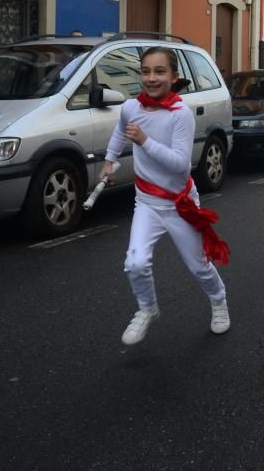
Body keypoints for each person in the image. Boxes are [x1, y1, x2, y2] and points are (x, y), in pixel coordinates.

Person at [103, 47, 231, 346]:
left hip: (179, 204)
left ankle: (219, 300)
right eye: (146, 71)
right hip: (146, 202)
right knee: (135, 262)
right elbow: (121, 131)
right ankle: (147, 308)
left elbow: (180, 165)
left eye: (159, 71)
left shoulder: (180, 115)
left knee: (198, 265)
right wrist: (109, 161)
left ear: (174, 77)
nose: (151, 78)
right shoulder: (131, 107)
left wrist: (145, 142)